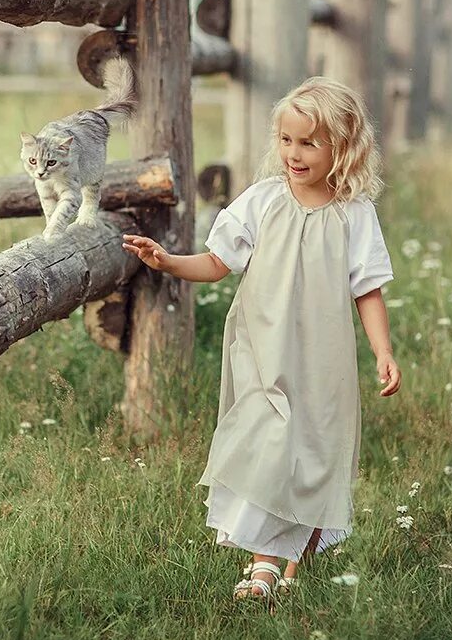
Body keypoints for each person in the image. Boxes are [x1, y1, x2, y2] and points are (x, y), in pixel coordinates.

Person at [122, 76, 402, 604]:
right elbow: (218, 262)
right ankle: (264, 565)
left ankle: (294, 552)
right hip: (261, 352)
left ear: (342, 147)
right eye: (286, 140)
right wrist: (168, 261)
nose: (293, 153)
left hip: (322, 360)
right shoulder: (265, 200)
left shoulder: (354, 214)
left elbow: (367, 290)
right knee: (268, 444)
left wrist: (383, 351)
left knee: (311, 450)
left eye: (309, 143)